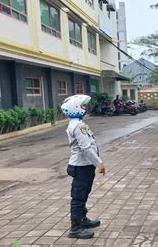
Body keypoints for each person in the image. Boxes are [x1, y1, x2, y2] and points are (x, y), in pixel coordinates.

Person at [61, 95, 106, 239]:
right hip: (81, 166)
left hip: (83, 165)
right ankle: (75, 228)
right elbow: (86, 148)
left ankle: (82, 220)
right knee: (78, 197)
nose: (85, 108)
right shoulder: (78, 125)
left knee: (84, 194)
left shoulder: (78, 123)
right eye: (83, 106)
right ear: (76, 108)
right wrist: (98, 163)